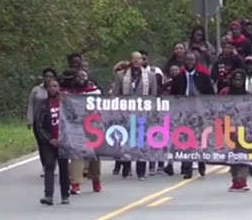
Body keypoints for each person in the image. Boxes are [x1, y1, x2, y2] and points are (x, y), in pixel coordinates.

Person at [168, 52, 215, 178]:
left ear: (196, 61)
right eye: (187, 59)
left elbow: (211, 95)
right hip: (184, 114)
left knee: (200, 139)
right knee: (186, 140)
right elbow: (173, 97)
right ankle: (187, 168)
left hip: (199, 112)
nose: (189, 62)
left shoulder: (204, 77)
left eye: (192, 60)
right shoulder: (178, 78)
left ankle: (201, 162)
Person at [112, 52, 158, 180]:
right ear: (131, 61)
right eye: (134, 59)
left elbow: (153, 96)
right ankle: (126, 168)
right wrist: (119, 111)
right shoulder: (121, 76)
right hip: (126, 113)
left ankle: (141, 171)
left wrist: (151, 113)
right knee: (126, 141)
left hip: (143, 113)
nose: (137, 61)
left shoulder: (150, 76)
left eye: (139, 59)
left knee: (141, 143)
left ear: (142, 61)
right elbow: (116, 94)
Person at [34, 79, 70, 205]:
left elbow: (74, 120)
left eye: (55, 86)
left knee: (64, 168)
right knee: (49, 165)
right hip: (49, 142)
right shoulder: (43, 105)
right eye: (50, 87)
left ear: (59, 87)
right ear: (47, 89)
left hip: (63, 140)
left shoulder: (66, 103)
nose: (53, 89)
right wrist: (50, 139)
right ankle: (48, 195)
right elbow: (39, 125)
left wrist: (65, 138)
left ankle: (65, 194)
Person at [69, 70, 102, 194]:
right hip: (77, 127)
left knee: (94, 155)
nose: (81, 78)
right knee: (76, 155)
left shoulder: (95, 92)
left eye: (83, 76)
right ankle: (76, 183)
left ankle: (96, 180)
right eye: (78, 76)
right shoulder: (71, 94)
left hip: (93, 126)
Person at [218, 69, 252, 191]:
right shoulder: (225, 93)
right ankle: (235, 179)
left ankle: (242, 180)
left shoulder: (248, 95)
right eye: (235, 79)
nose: (237, 82)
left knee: (243, 153)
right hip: (229, 127)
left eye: (240, 80)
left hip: (244, 128)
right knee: (232, 154)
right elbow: (219, 109)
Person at [27, 68, 57, 176]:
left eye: (51, 76)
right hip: (39, 122)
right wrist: (30, 120)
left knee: (54, 143)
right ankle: (45, 166)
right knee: (42, 144)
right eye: (46, 76)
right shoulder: (36, 90)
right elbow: (31, 104)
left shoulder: (56, 89)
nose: (48, 78)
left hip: (53, 121)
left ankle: (53, 164)